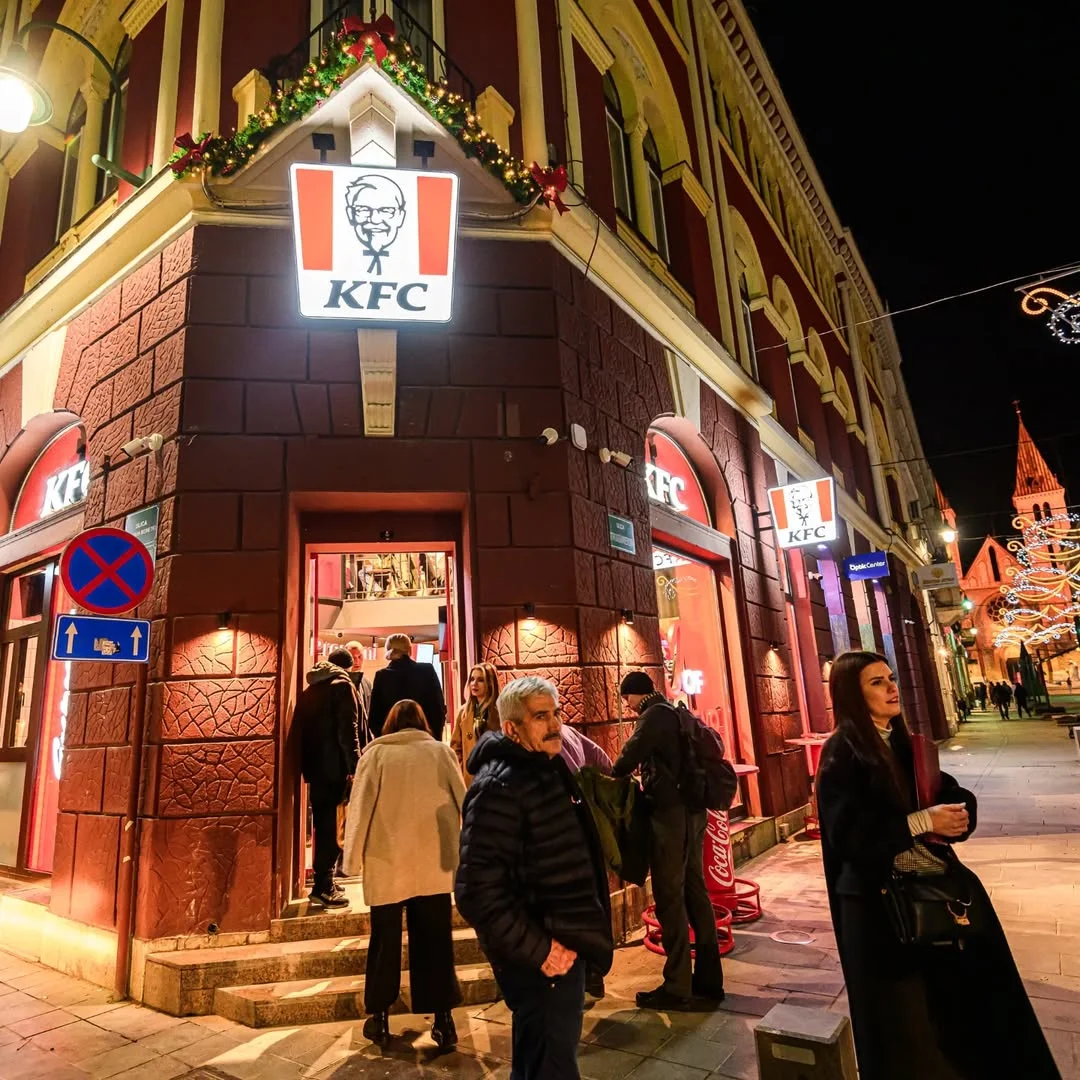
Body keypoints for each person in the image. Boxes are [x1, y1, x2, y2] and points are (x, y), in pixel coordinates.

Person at [815, 650, 1058, 1079]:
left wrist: (959, 812)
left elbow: (945, 791)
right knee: (905, 1029)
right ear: (851, 694)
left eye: (891, 678)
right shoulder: (842, 752)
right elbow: (847, 837)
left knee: (964, 1017)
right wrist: (921, 821)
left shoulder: (907, 744)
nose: (892, 688)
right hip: (880, 912)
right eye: (876, 682)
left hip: (936, 896)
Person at [455, 676, 613, 1080]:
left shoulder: (547, 769)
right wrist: (540, 950)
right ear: (512, 728)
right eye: (541, 716)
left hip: (565, 950)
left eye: (556, 713)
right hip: (543, 964)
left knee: (537, 1063)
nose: (555, 724)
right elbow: (475, 891)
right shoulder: (499, 787)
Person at [343, 699, 465, 1049]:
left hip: (387, 863)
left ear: (390, 724)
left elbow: (360, 808)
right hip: (434, 864)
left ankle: (379, 1018)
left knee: (384, 942)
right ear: (423, 722)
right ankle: (444, 1020)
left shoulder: (376, 755)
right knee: (436, 942)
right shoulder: (441, 753)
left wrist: (351, 862)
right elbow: (463, 799)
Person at [612, 671, 724, 1010]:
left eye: (626, 699)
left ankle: (677, 986)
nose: (627, 706)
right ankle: (709, 981)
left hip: (671, 816)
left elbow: (625, 760)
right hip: (694, 812)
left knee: (669, 896)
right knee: (695, 892)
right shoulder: (676, 710)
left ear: (633, 695)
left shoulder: (652, 716)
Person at [295, 648, 361, 908]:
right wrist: (356, 766)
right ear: (348, 667)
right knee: (334, 828)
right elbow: (349, 730)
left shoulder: (312, 688)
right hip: (336, 769)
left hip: (316, 769)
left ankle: (324, 881)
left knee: (323, 825)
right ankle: (324, 885)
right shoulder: (343, 687)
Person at [369, 633, 447, 741]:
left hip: (392, 744)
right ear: (409, 649)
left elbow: (374, 717)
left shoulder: (382, 676)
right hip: (425, 741)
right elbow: (438, 709)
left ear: (387, 650)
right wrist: (435, 739)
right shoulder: (426, 671)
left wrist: (383, 740)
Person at [450, 663, 501, 784]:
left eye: (480, 680)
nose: (474, 684)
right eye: (472, 679)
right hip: (470, 777)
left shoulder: (500, 712)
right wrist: (461, 771)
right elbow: (455, 747)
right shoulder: (464, 712)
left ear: (490, 683)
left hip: (494, 777)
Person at [344, 640, 373, 743]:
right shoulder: (341, 684)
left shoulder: (366, 683)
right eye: (353, 657)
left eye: (359, 657)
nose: (357, 662)